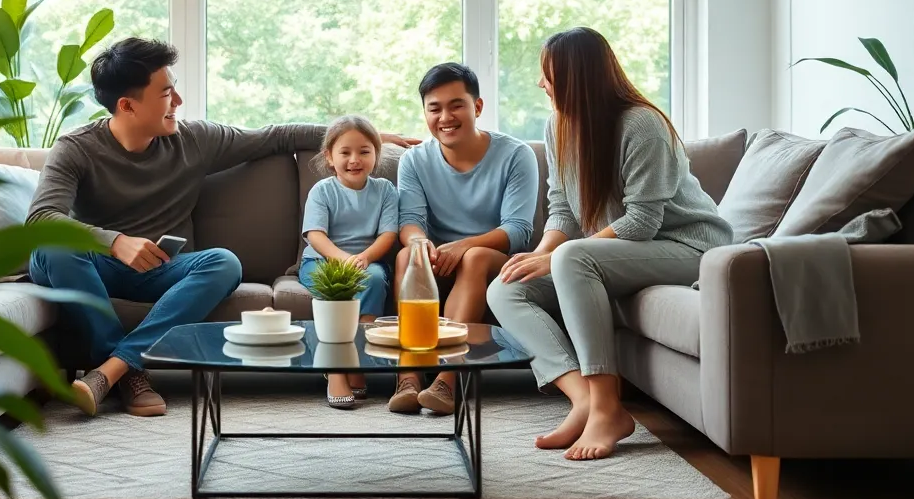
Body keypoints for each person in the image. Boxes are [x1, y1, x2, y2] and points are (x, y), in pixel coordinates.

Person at [27, 37, 417, 418]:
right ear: (127, 105)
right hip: (98, 268)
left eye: (175, 89)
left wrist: (358, 138)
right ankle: (132, 373)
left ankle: (112, 370)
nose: (178, 102)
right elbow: (41, 219)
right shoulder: (75, 148)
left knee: (224, 262)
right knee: (52, 248)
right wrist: (114, 242)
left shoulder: (193, 139)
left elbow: (275, 135)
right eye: (166, 94)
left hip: (163, 268)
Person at [487, 27, 733, 460]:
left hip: (688, 247)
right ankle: (583, 398)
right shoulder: (557, 124)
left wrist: (561, 257)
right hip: (623, 255)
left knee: (573, 258)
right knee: (505, 287)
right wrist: (542, 255)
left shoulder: (642, 124)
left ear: (576, 78)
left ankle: (606, 406)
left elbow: (641, 222)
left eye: (548, 74)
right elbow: (561, 208)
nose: (541, 84)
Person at [390, 63, 539, 416]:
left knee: (474, 257)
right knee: (405, 258)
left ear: (478, 107)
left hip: (493, 262)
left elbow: (518, 230)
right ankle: (408, 376)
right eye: (434, 108)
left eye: (456, 105)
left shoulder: (517, 155)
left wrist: (465, 245)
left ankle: (447, 381)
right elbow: (410, 221)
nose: (445, 117)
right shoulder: (413, 160)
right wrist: (417, 243)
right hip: (440, 263)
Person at [299, 115, 400, 410]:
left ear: (376, 155)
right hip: (324, 260)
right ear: (330, 157)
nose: (354, 160)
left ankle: (356, 362)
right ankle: (336, 370)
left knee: (373, 278)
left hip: (365, 262)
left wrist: (364, 258)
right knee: (336, 289)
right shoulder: (323, 191)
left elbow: (388, 234)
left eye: (364, 151)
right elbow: (315, 235)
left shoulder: (385, 190)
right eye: (345, 152)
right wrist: (344, 260)